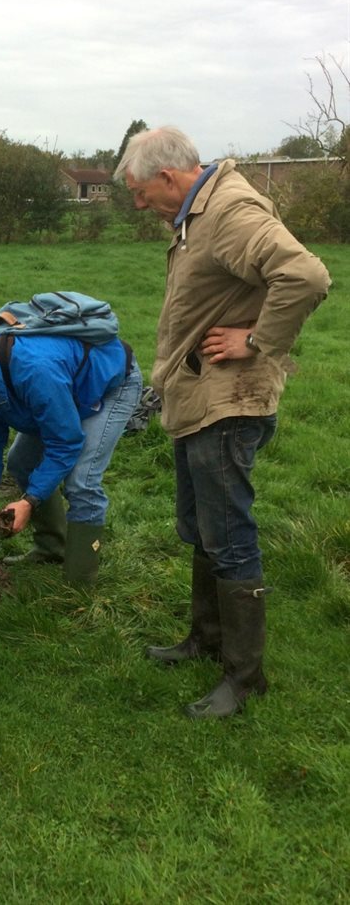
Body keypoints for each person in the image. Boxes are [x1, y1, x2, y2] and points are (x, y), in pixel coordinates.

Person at [114, 125, 331, 719]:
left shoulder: (230, 210)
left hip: (228, 401)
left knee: (229, 536)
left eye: (139, 192)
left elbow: (306, 275)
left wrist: (257, 340)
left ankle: (244, 678)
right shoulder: (195, 215)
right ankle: (206, 641)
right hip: (197, 396)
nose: (138, 205)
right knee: (201, 526)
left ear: (168, 176)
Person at [0, 326, 143, 586]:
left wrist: (29, 501)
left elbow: (65, 443)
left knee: (81, 480)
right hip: (62, 388)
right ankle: (51, 548)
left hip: (109, 385)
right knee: (22, 461)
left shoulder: (35, 371)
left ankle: (79, 585)